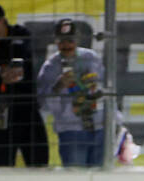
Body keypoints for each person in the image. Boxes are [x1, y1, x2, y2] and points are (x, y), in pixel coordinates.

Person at [0, 1, 49, 166]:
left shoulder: (20, 33)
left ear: (1, 20)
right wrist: (1, 75)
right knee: (2, 167)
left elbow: (20, 57)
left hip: (27, 109)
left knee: (39, 165)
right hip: (0, 112)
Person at [37, 18, 106, 167]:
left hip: (100, 127)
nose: (66, 45)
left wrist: (116, 122)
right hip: (72, 131)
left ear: (77, 39)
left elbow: (107, 90)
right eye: (61, 41)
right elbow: (42, 104)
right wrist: (58, 86)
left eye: (70, 40)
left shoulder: (92, 58)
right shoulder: (50, 67)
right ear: (56, 41)